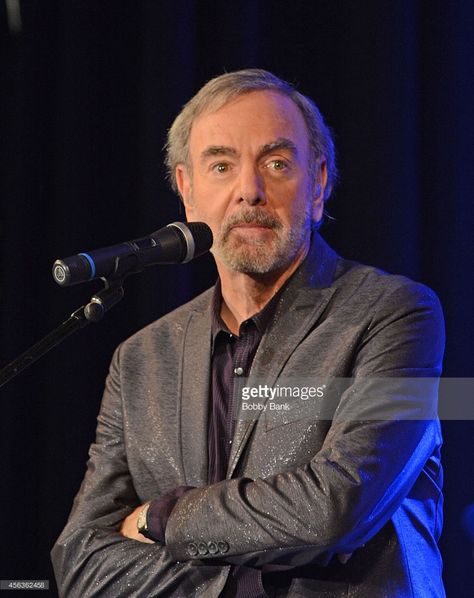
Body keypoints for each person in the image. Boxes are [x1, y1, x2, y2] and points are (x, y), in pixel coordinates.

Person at [51, 69, 445, 597]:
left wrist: (161, 519)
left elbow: (336, 508)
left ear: (319, 183)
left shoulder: (399, 315)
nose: (249, 191)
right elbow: (79, 564)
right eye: (221, 165)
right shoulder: (140, 359)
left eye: (277, 163)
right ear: (188, 192)